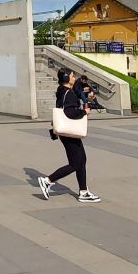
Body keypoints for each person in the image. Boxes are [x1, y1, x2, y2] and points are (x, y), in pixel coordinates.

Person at [39, 68, 100, 203]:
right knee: (75, 163)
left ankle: (83, 191)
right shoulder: (68, 93)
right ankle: (48, 180)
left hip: (66, 132)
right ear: (67, 78)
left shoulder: (63, 92)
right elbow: (70, 112)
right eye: (72, 76)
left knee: (82, 160)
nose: (74, 78)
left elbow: (70, 105)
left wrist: (86, 101)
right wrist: (84, 112)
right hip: (69, 132)